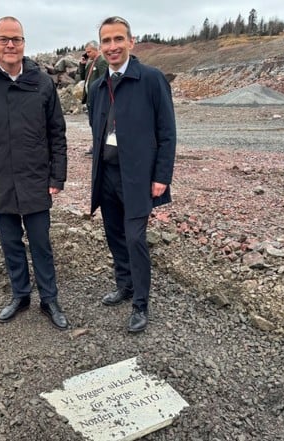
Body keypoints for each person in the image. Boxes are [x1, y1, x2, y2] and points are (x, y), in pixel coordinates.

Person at [0, 16, 69, 330]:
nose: (10, 45)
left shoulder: (42, 83)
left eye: (16, 39)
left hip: (36, 179)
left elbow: (57, 134)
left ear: (24, 43)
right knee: (10, 244)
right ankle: (21, 295)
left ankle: (49, 299)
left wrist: (57, 176)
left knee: (41, 244)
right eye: (4, 39)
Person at [88, 16, 176, 333]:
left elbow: (167, 132)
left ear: (131, 42)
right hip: (107, 173)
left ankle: (140, 302)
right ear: (101, 47)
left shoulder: (151, 79)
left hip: (138, 176)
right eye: (106, 41)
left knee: (135, 239)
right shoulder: (98, 87)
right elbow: (95, 129)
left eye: (118, 39)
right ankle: (124, 286)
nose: (112, 47)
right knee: (114, 235)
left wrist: (161, 176)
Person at [77, 40, 108, 156]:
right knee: (92, 123)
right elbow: (83, 77)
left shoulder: (102, 62)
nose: (87, 54)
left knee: (98, 124)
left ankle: (100, 147)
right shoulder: (91, 63)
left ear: (96, 49)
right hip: (90, 99)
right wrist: (82, 65)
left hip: (97, 99)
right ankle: (96, 145)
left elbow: (104, 81)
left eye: (89, 52)